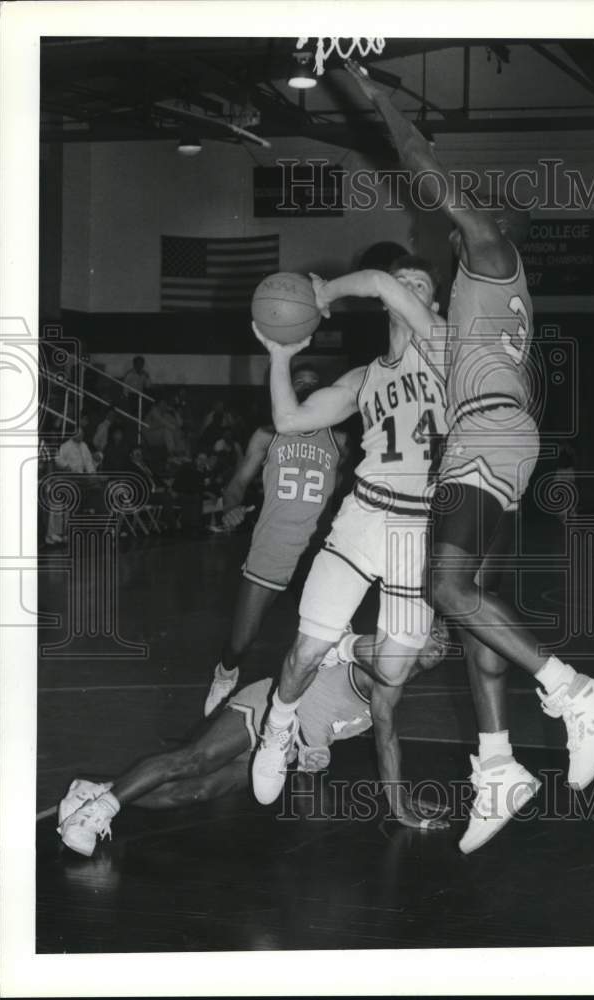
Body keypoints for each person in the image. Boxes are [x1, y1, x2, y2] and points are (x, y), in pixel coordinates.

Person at [322, 60, 594, 854]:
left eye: (469, 214)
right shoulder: (481, 300)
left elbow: (423, 168)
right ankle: (497, 766)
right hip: (492, 436)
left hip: (487, 436)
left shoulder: (491, 253)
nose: (455, 219)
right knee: (475, 608)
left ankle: (574, 691)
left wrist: (372, 94)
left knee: (445, 588)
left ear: (491, 227)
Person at [250, 255, 451, 828]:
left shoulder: (445, 347)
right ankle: (278, 729)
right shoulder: (365, 377)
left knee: (391, 675)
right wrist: (282, 357)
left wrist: (324, 292)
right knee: (304, 651)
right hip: (362, 517)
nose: (407, 290)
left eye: (421, 285)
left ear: (430, 306)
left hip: (417, 529)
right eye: (405, 283)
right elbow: (290, 420)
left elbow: (381, 282)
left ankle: (345, 656)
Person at [57, 653, 450, 858]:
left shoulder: (393, 691)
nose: (439, 644)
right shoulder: (376, 659)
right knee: (195, 760)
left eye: (444, 641)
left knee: (196, 792)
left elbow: (384, 741)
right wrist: (316, 745)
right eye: (434, 633)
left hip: (280, 751)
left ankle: (93, 793)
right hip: (265, 709)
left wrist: (400, 797)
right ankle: (99, 811)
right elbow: (311, 685)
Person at [202, 368, 347, 716]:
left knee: (329, 644)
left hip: (317, 549)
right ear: (287, 391)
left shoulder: (339, 439)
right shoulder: (266, 435)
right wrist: (232, 508)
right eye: (300, 380)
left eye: (316, 381)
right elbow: (236, 484)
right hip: (274, 544)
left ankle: (322, 719)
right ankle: (225, 673)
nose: (309, 384)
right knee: (240, 642)